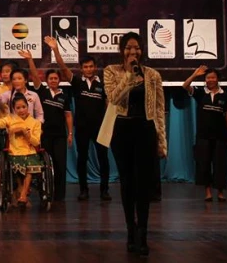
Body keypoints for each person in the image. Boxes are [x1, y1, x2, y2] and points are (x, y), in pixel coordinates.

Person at [104, 32, 166, 257]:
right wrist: (129, 76)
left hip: (146, 131)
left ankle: (143, 234)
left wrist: (162, 142)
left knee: (144, 186)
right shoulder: (111, 71)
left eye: (137, 48)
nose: (133, 52)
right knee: (128, 183)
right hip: (122, 130)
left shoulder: (152, 75)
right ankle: (131, 230)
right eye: (129, 48)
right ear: (122, 50)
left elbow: (159, 110)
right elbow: (113, 98)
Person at [45, 36, 110, 201]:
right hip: (82, 127)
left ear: (95, 68)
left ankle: (104, 190)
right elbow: (62, 67)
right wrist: (55, 49)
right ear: (81, 69)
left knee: (103, 158)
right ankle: (84, 190)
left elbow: (108, 105)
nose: (88, 69)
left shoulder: (102, 85)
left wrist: (109, 125)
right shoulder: (77, 83)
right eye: (85, 67)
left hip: (100, 127)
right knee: (82, 158)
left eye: (91, 66)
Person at [0, 93, 42, 210]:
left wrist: (27, 135)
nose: (21, 110)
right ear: (14, 109)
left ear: (28, 106)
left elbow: (36, 142)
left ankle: (23, 194)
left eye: (23, 107)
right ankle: (20, 193)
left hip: (30, 153)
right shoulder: (10, 119)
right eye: (18, 108)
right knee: (17, 168)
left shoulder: (35, 123)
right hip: (14, 153)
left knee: (31, 167)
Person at [182, 66, 227, 202]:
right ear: (205, 80)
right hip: (203, 136)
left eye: (213, 77)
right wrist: (195, 74)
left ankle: (220, 192)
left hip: (221, 136)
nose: (210, 80)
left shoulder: (225, 96)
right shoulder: (200, 93)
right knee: (204, 164)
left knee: (220, 164)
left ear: (217, 79)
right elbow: (185, 86)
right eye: (208, 78)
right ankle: (207, 192)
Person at [33, 69, 73, 202]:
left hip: (60, 136)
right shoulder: (42, 92)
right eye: (51, 78)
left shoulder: (64, 96)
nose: (53, 80)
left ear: (59, 80)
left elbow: (68, 115)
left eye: (56, 78)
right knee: (44, 165)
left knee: (60, 164)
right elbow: (34, 74)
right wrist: (30, 60)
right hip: (44, 135)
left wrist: (70, 133)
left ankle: (59, 195)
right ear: (47, 80)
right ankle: (44, 192)